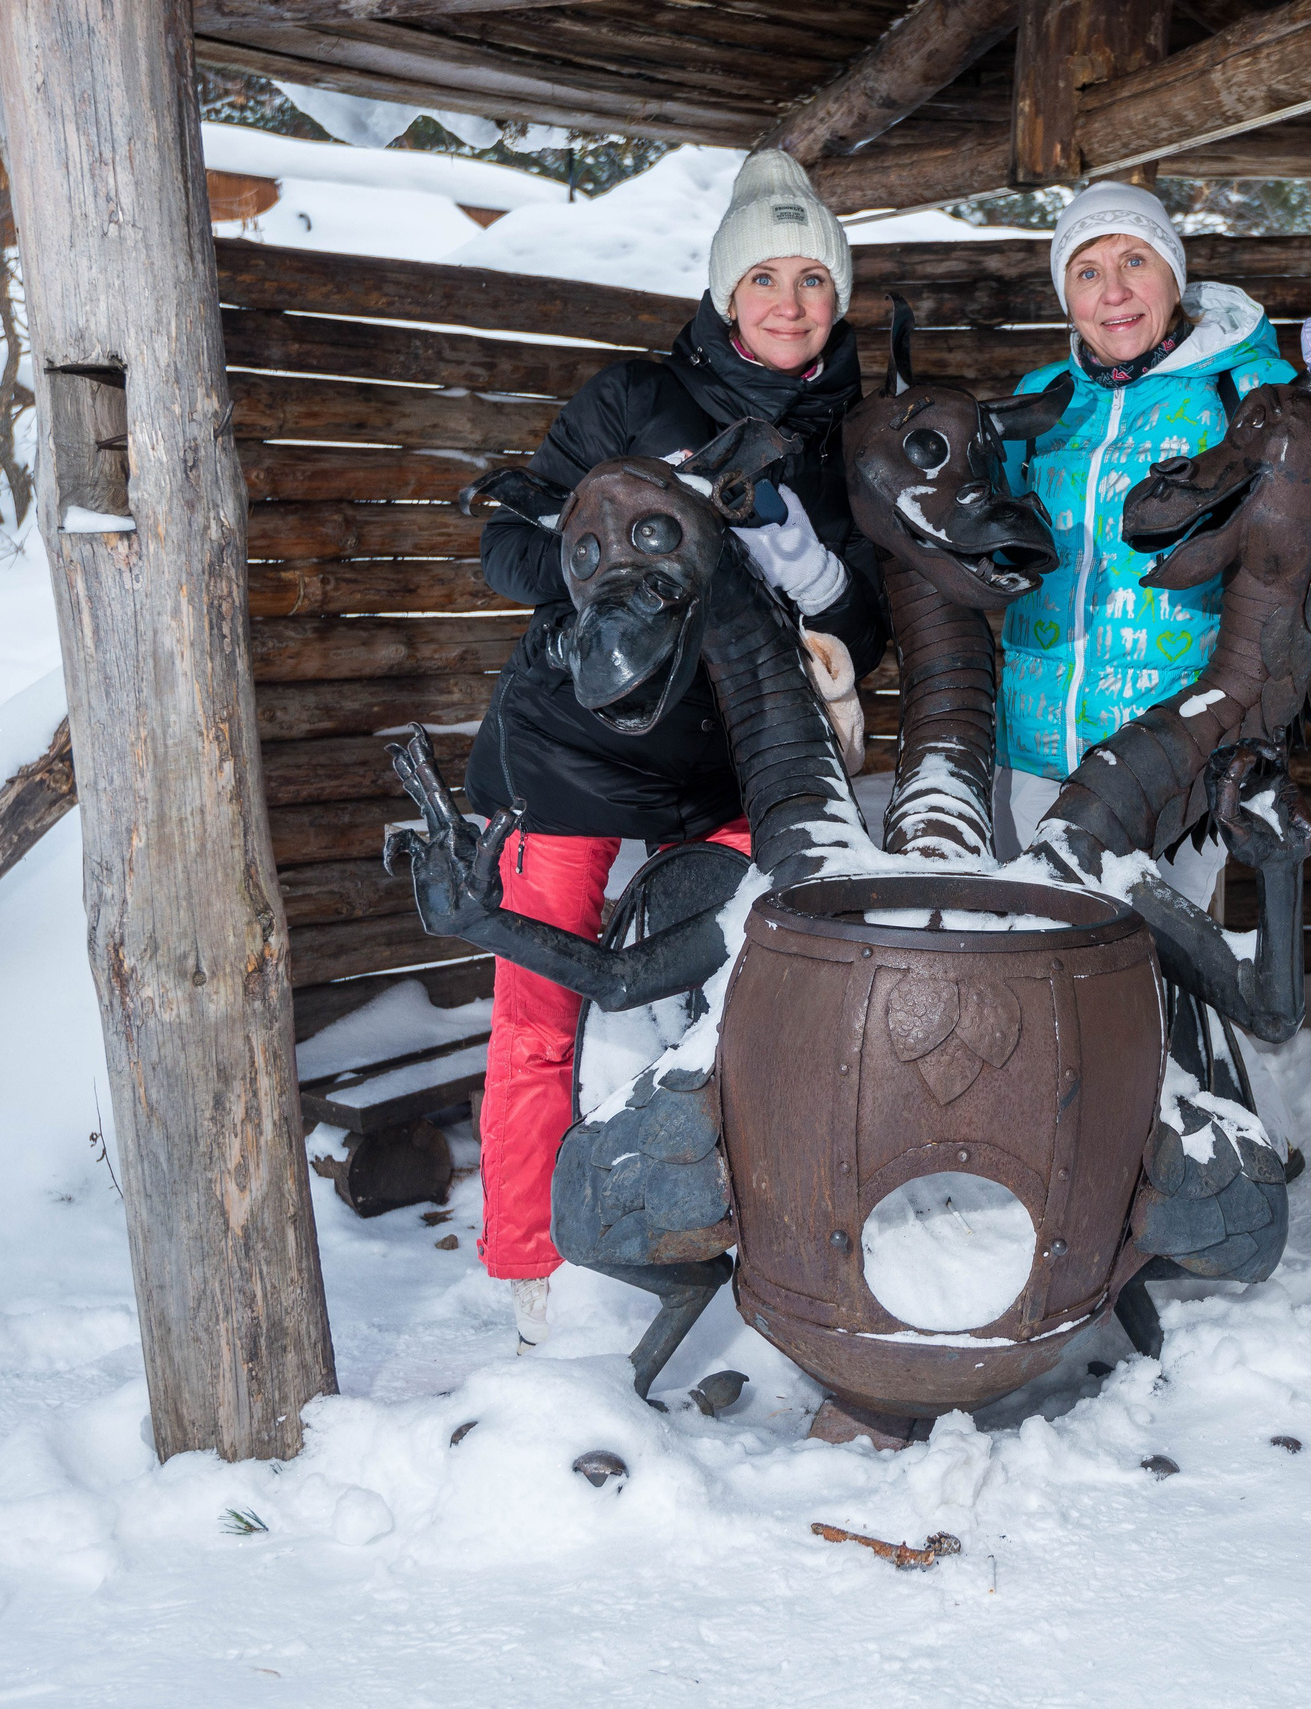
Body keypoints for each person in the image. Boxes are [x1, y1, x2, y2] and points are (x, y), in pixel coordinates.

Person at [464, 151, 887, 1353]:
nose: (791, 303)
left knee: (760, 996)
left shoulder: (851, 440)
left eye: (814, 279)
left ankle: (737, 1232)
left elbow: (864, 629)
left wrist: (795, 552)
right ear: (723, 289)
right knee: (542, 996)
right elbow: (507, 545)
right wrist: (628, 566)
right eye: (766, 276)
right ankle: (528, 1262)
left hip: (743, 766)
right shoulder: (631, 401)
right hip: (576, 748)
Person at [994, 182, 1311, 904]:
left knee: (1157, 989)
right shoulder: (1043, 398)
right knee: (1037, 976)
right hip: (1032, 755)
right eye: (1087, 272)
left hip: (1179, 763)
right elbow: (990, 556)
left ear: (1174, 276)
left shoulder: (1252, 393)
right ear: (1066, 296)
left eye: (1135, 262)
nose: (1114, 292)